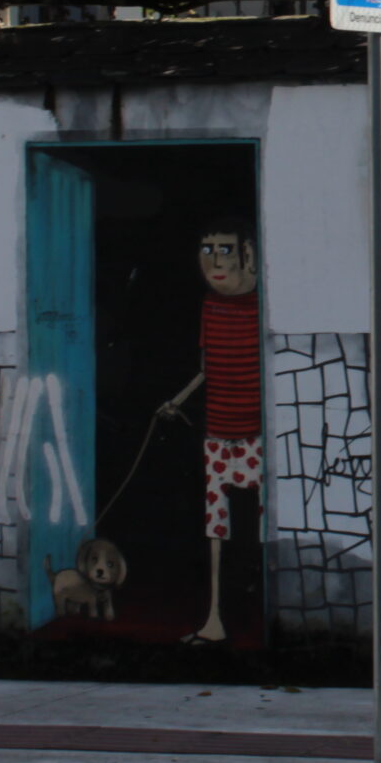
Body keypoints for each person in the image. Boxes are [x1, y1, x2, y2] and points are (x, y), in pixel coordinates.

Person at [157, 218, 263, 646]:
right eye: (207, 250)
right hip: (218, 433)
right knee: (216, 529)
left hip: (256, 435)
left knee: (259, 524)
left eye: (224, 249)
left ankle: (259, 612)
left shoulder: (262, 305)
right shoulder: (210, 306)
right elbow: (206, 369)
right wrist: (177, 401)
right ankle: (215, 619)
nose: (215, 261)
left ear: (246, 252)